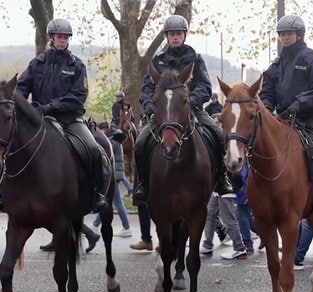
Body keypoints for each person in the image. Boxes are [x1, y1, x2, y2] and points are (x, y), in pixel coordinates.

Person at [17, 18, 110, 251]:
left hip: (70, 120)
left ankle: (98, 194)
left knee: (92, 149)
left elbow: (78, 95)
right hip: (39, 122)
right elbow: (21, 88)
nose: (63, 40)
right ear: (51, 38)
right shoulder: (37, 63)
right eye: (59, 37)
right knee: (11, 145)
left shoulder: (76, 65)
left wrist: (51, 106)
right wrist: (22, 105)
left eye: (66, 37)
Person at [133, 14, 232, 203]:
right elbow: (147, 88)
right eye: (171, 34)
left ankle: (221, 178)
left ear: (184, 35)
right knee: (139, 144)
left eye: (178, 34)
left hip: (191, 109)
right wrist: (149, 106)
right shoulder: (157, 61)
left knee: (218, 135)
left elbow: (204, 86)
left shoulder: (194, 59)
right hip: (163, 113)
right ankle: (142, 184)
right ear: (167, 37)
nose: (175, 37)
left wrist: (192, 101)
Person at [260, 14, 313, 126]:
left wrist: (299, 104)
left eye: (289, 34)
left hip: (310, 119)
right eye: (282, 34)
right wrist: (266, 108)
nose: (285, 37)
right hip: (283, 119)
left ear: (299, 35)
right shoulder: (276, 65)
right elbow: (267, 92)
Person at [97, 122, 132, 237]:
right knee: (110, 201)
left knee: (115, 201)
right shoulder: (115, 139)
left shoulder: (112, 142)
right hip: (116, 174)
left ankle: (126, 227)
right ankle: (95, 225)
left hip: (114, 174)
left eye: (101, 130)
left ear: (105, 129)